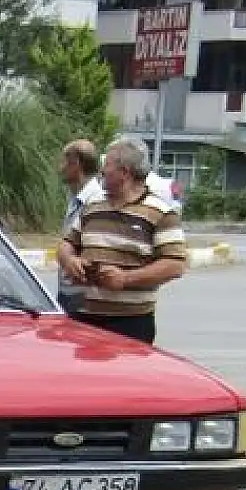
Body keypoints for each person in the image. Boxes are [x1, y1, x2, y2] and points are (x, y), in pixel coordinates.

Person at [56, 135, 188, 346]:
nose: (101, 172)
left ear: (124, 172)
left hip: (131, 324)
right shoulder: (93, 205)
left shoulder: (161, 212)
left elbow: (175, 265)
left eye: (107, 165)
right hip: (83, 318)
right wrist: (69, 261)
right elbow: (67, 244)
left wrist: (126, 279)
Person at [56, 139, 104, 316]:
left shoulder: (96, 202)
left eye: (64, 162)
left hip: (84, 294)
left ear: (76, 163)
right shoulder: (75, 198)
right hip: (68, 289)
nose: (60, 168)